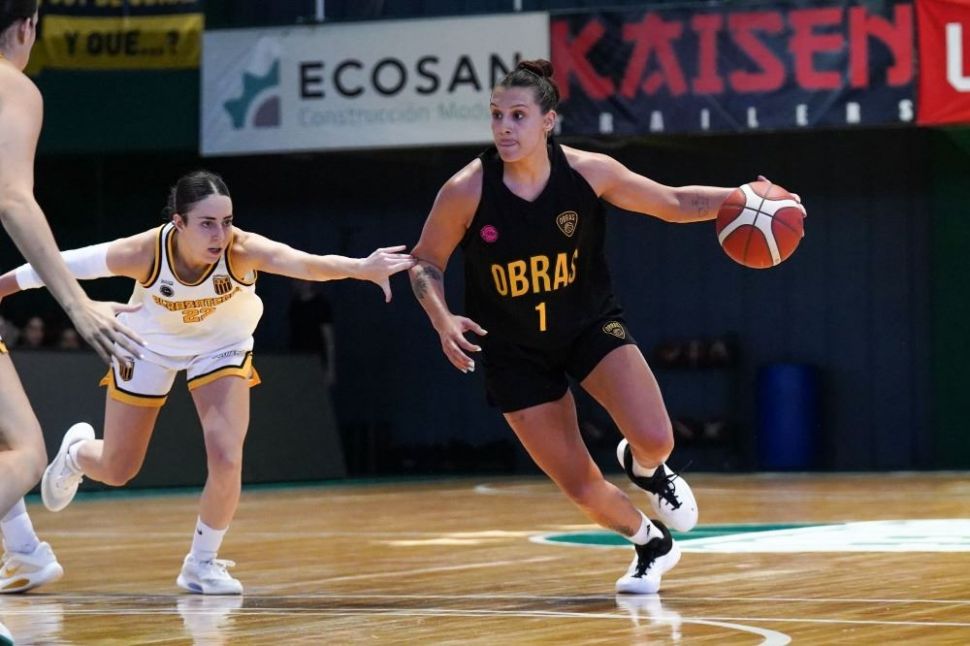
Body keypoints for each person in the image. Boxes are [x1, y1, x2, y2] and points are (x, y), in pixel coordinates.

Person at [409, 59, 803, 594]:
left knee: (657, 437)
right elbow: (424, 262)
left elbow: (673, 202)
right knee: (580, 486)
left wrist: (747, 200)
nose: (504, 126)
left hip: (587, 324)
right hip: (513, 351)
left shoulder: (588, 172)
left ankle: (646, 468)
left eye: (518, 115)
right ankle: (651, 542)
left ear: (548, 121)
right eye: (497, 114)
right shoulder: (467, 190)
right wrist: (441, 318)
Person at [0, 169, 415, 595]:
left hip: (221, 347)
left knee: (226, 455)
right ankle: (77, 454)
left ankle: (201, 564)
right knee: (118, 469)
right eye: (207, 223)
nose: (220, 234)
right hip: (149, 346)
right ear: (178, 222)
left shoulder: (242, 249)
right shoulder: (145, 251)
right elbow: (57, 265)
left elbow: (305, 263)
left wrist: (361, 268)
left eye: (226, 221)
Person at [0, 0, 145, 613]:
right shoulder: (13, 86)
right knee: (27, 454)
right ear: (27, 26)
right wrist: (77, 302)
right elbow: (12, 198)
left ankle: (25, 553)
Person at [288, 279, 335, 387]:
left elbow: (328, 339)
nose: (302, 283)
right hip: (296, 359)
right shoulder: (295, 305)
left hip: (316, 359)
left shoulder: (321, 304)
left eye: (305, 280)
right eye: (299, 280)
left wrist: (330, 369)